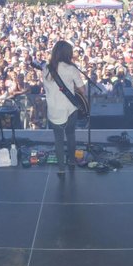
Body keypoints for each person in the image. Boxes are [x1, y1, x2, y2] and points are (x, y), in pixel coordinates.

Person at [42, 40, 86, 176]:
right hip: (69, 108)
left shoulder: (46, 68)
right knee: (71, 135)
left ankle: (61, 168)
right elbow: (83, 90)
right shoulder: (71, 68)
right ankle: (72, 161)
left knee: (58, 140)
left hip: (54, 109)